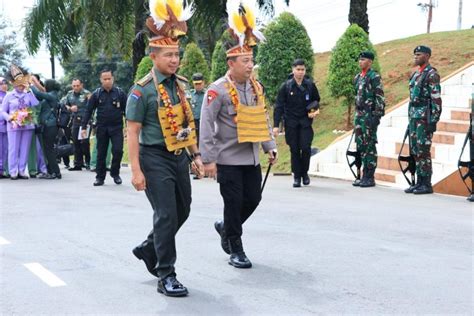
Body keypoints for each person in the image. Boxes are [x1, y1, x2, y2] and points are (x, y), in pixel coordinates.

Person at [126, 0, 203, 297]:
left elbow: (185, 122)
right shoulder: (141, 90)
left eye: (177, 55)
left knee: (183, 209)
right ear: (154, 56)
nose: (175, 60)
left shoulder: (179, 86)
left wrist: (194, 154)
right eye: (169, 55)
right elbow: (131, 132)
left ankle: (148, 247)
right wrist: (136, 171)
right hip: (153, 158)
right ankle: (166, 274)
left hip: (177, 156)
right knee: (167, 214)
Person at [200, 1, 277, 269]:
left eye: (251, 61)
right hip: (228, 158)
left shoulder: (256, 87)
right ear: (231, 63)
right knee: (233, 202)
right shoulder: (217, 89)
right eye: (245, 61)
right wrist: (208, 159)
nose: (250, 65)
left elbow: (262, 117)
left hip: (251, 158)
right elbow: (207, 124)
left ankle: (226, 227)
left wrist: (270, 145)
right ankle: (236, 248)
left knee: (253, 199)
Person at [274, 59, 320, 187]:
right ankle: (297, 176)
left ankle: (304, 173)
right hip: (291, 123)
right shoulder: (286, 86)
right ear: (293, 70)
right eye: (298, 69)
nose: (300, 72)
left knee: (305, 148)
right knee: (294, 149)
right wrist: (276, 125)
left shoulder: (310, 85)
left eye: (302, 70)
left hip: (305, 122)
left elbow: (316, 100)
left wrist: (313, 110)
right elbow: (279, 106)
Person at [404, 45, 442, 194]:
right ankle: (419, 182)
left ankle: (426, 183)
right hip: (414, 117)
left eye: (419, 54)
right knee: (415, 150)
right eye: (415, 55)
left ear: (427, 56)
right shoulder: (415, 75)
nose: (416, 57)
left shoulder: (431, 74)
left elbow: (436, 99)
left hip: (425, 118)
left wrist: (433, 120)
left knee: (423, 150)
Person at [82, 69, 126, 186]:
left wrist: (129, 127)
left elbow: (127, 111)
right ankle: (100, 177)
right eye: (104, 79)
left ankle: (115, 173)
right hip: (102, 128)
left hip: (116, 127)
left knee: (118, 151)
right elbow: (88, 111)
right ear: (101, 80)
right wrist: (84, 127)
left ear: (113, 79)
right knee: (101, 153)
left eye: (109, 79)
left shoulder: (120, 93)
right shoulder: (96, 94)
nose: (107, 81)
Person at [352, 51, 385, 187]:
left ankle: (369, 176)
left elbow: (380, 97)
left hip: (369, 115)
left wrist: (377, 116)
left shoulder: (374, 77)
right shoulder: (358, 77)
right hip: (359, 115)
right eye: (360, 60)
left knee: (369, 145)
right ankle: (362, 175)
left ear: (370, 62)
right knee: (360, 145)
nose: (361, 62)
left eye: (363, 60)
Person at [0, 65, 39, 179]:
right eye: (19, 83)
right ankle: (13, 171)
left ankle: (22, 170)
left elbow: (35, 104)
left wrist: (29, 91)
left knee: (24, 148)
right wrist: (10, 118)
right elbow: (2, 111)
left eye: (23, 82)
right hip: (13, 125)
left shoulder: (28, 94)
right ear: (13, 83)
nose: (22, 85)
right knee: (13, 148)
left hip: (27, 125)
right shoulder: (9, 95)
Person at [30, 77, 62, 179]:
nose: (45, 86)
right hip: (50, 125)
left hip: (49, 126)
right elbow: (40, 95)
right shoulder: (53, 94)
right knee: (49, 149)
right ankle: (53, 171)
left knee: (49, 149)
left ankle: (54, 173)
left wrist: (30, 84)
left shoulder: (52, 95)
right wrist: (35, 82)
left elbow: (39, 94)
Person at [64, 79, 91, 171]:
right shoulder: (69, 94)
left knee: (84, 142)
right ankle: (78, 164)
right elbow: (65, 104)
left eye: (77, 85)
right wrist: (70, 108)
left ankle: (88, 162)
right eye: (74, 86)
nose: (76, 87)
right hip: (75, 120)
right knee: (75, 141)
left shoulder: (87, 94)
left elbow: (92, 106)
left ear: (81, 85)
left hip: (85, 120)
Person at [0, 77, 8, 178]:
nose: (4, 85)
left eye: (5, 83)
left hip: (8, 126)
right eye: (2, 84)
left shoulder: (10, 95)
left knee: (6, 148)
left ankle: (4, 169)